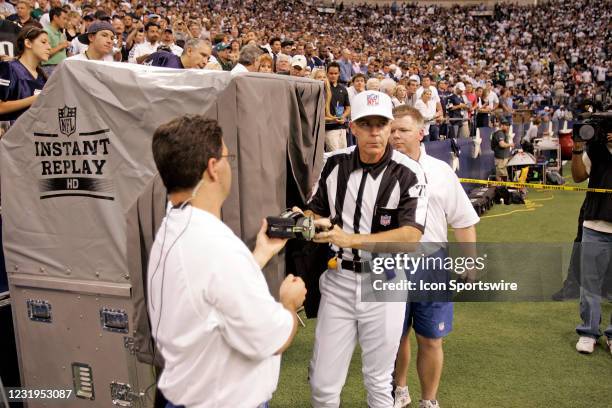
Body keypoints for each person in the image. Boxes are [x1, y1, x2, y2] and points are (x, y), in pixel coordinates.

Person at [148, 115, 307, 407]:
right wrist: (290, 302)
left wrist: (260, 253)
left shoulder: (172, 228)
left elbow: (210, 289)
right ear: (212, 168)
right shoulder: (217, 246)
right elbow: (271, 340)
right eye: (226, 156)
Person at [304, 90, 428, 408]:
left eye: (381, 124)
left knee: (378, 381)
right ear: (352, 127)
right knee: (323, 383)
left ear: (389, 127)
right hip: (339, 278)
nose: (375, 132)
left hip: (384, 279)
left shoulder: (409, 172)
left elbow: (411, 236)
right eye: (366, 124)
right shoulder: (333, 165)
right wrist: (307, 220)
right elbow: (316, 211)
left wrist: (351, 239)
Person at [389, 105, 479, 408]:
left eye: (402, 130)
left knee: (431, 338)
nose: (395, 136)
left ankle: (429, 400)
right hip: (389, 265)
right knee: (394, 338)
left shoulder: (441, 172)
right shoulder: (376, 170)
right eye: (391, 130)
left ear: (420, 132)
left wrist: (469, 262)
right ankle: (399, 391)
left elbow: (463, 221)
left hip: (432, 265)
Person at [571, 131, 612, 355]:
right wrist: (578, 148)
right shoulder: (595, 149)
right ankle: (588, 332)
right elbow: (578, 176)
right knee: (590, 283)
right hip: (594, 226)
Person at [0, 26, 49, 122]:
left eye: (49, 43)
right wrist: (35, 99)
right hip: (11, 134)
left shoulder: (43, 77)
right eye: (43, 42)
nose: (49, 47)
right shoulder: (8, 67)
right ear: (28, 43)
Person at [325, 61, 351, 151]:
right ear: (327, 73)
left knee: (343, 154)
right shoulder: (323, 88)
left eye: (335, 73)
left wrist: (343, 116)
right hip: (328, 129)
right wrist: (332, 118)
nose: (333, 75)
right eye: (331, 73)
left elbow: (348, 107)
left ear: (339, 74)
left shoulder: (343, 89)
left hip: (342, 128)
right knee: (334, 155)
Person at [41, 7, 68, 76]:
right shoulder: (46, 32)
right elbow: (43, 53)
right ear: (55, 17)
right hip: (50, 68)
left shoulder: (61, 33)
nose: (66, 21)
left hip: (61, 67)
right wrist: (61, 46)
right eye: (64, 18)